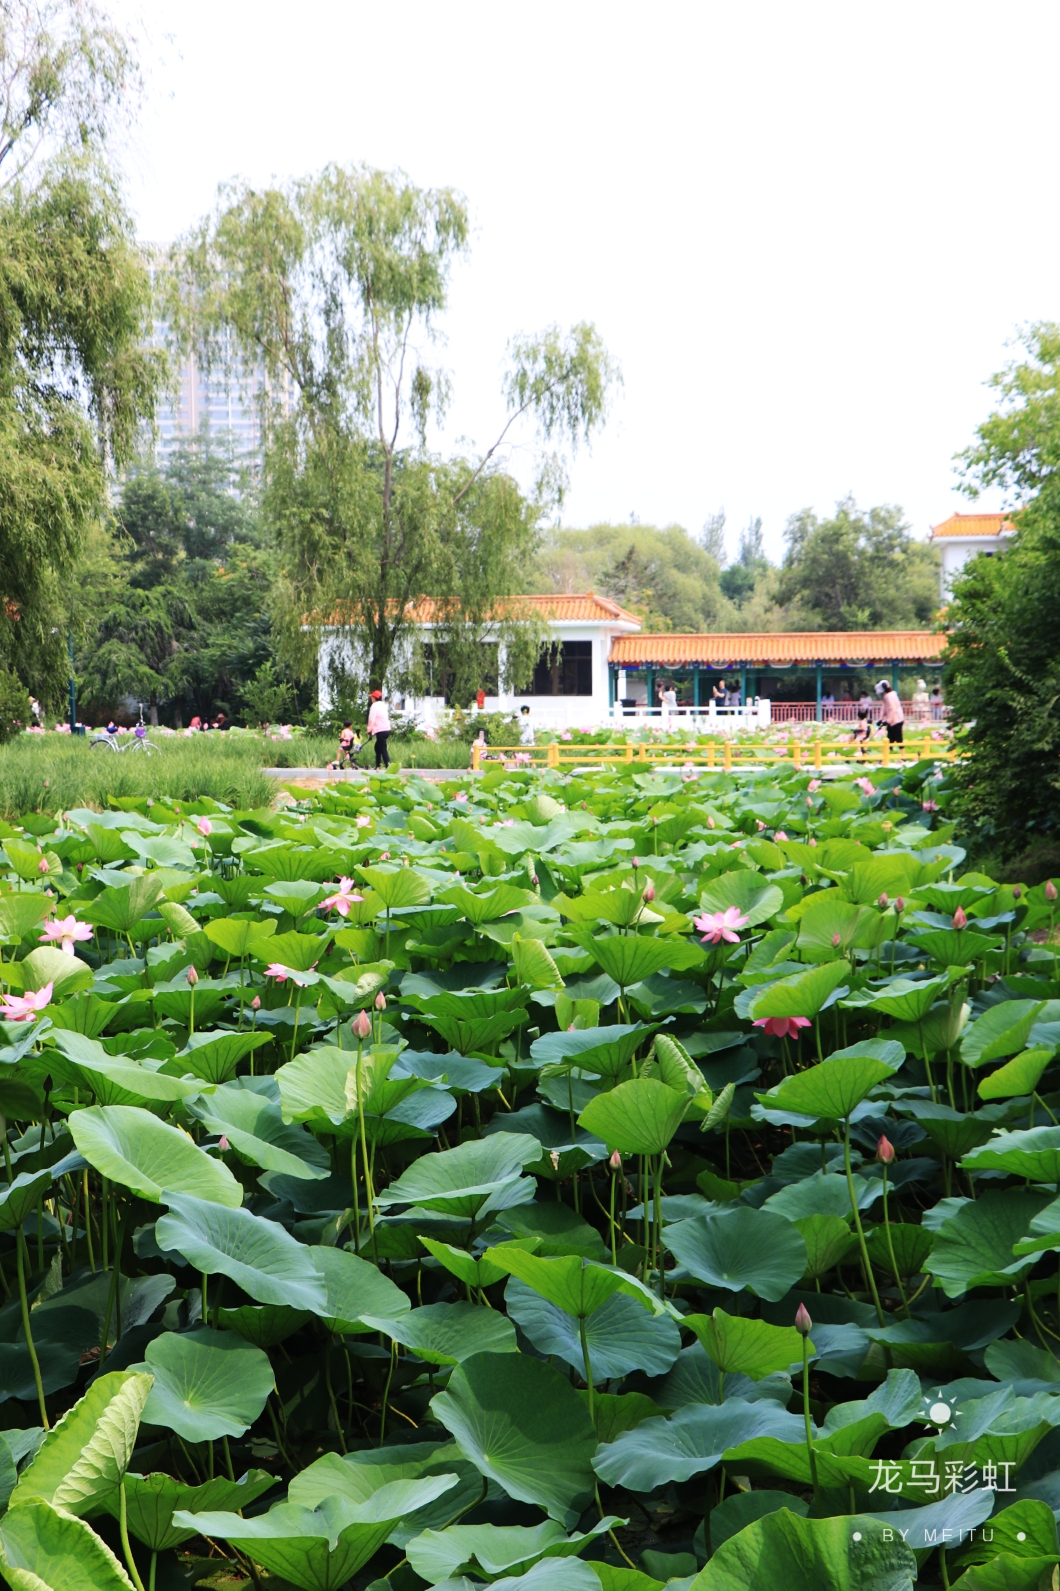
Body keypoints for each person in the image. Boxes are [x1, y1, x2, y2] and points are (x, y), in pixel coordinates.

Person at [875, 678, 904, 744]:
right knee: (890, 738)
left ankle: (902, 753)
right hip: (893, 721)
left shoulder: (889, 697)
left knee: (898, 738)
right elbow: (884, 708)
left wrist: (887, 721)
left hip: (896, 720)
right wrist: (881, 719)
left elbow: (892, 709)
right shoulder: (888, 696)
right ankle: (889, 751)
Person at [367, 689, 391, 769]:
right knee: (377, 747)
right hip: (387, 729)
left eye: (372, 697)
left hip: (380, 730)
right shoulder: (383, 705)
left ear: (374, 698)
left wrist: (369, 730)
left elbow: (371, 719)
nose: (371, 699)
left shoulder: (374, 706)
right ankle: (377, 765)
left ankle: (388, 765)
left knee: (383, 748)